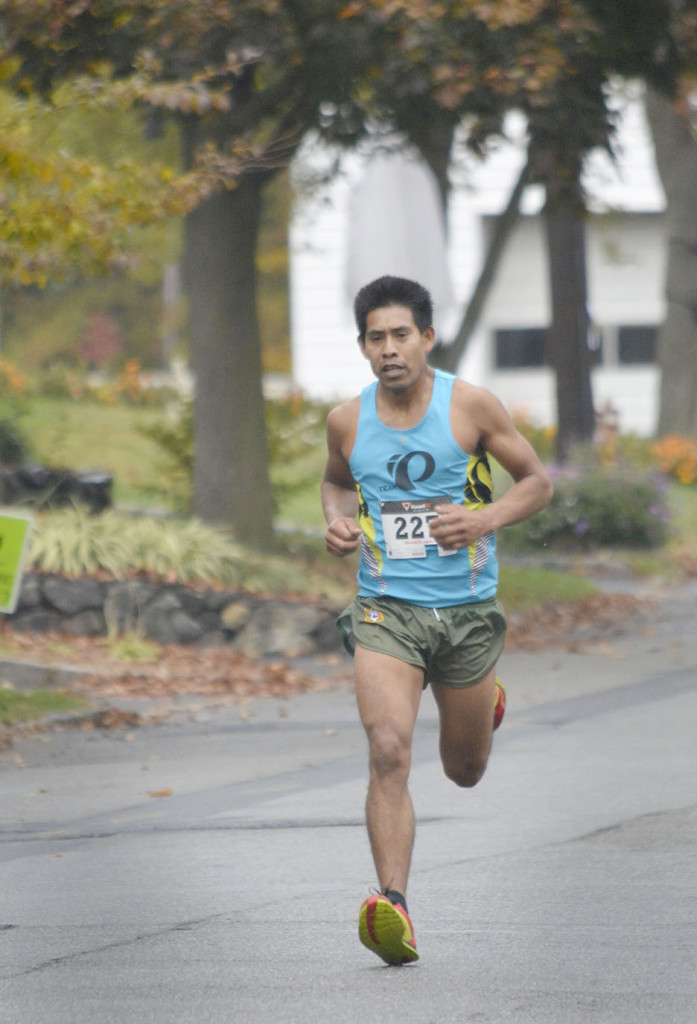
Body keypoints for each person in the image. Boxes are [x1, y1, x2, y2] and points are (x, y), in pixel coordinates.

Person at [321, 275, 553, 966]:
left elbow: (537, 482)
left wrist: (484, 517)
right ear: (362, 345)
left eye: (400, 335)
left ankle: (482, 708)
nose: (388, 349)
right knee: (388, 749)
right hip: (384, 609)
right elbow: (336, 481)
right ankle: (392, 905)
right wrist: (337, 522)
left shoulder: (471, 406)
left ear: (425, 337)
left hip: (465, 614)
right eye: (374, 337)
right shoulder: (346, 420)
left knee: (464, 771)